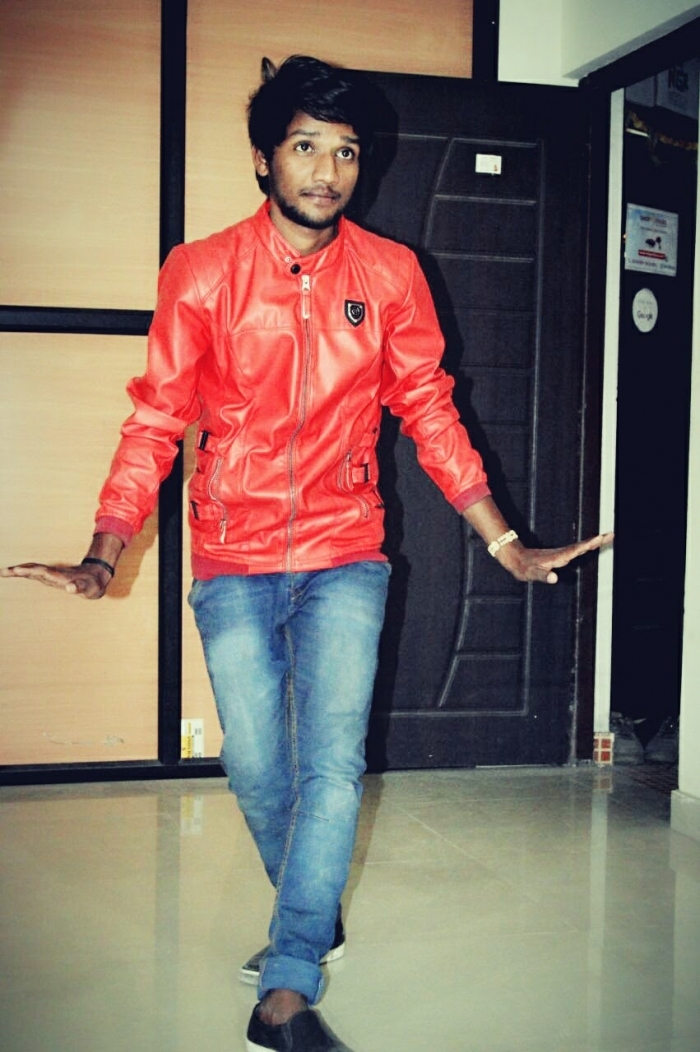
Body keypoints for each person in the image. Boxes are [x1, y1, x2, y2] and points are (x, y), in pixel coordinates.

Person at [1, 56, 613, 1052]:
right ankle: (312, 909)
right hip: (231, 552)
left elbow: (429, 409)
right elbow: (156, 419)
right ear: (263, 159)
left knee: (331, 766)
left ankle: (287, 984)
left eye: (347, 151)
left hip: (346, 549)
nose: (328, 170)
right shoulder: (201, 272)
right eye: (305, 146)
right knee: (254, 766)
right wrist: (104, 549)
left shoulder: (391, 274)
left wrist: (502, 539)